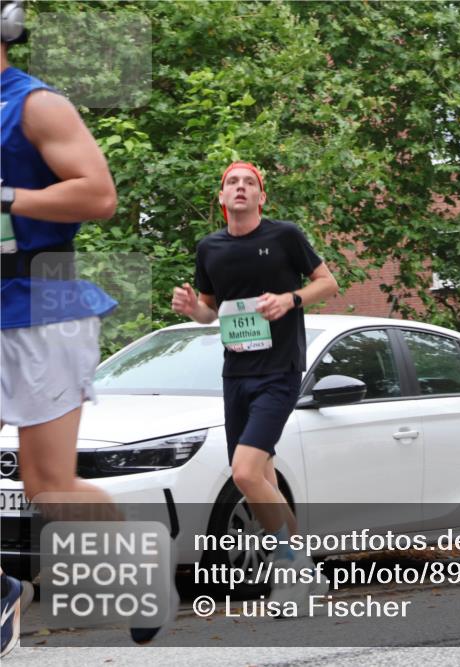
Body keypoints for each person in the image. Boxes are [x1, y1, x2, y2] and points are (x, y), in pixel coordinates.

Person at [0, 0, 124, 654]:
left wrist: (8, 197)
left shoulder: (36, 105)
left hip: (41, 296)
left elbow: (99, 195)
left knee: (48, 483)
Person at [171, 161, 338, 614]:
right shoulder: (210, 248)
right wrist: (192, 309)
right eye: (232, 183)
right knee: (261, 480)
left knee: (245, 473)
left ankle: (291, 570)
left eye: (249, 183)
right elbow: (210, 313)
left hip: (280, 371)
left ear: (261, 198)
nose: (240, 188)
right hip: (236, 373)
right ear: (222, 198)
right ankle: (308, 571)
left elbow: (328, 281)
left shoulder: (284, 236)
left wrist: (290, 299)